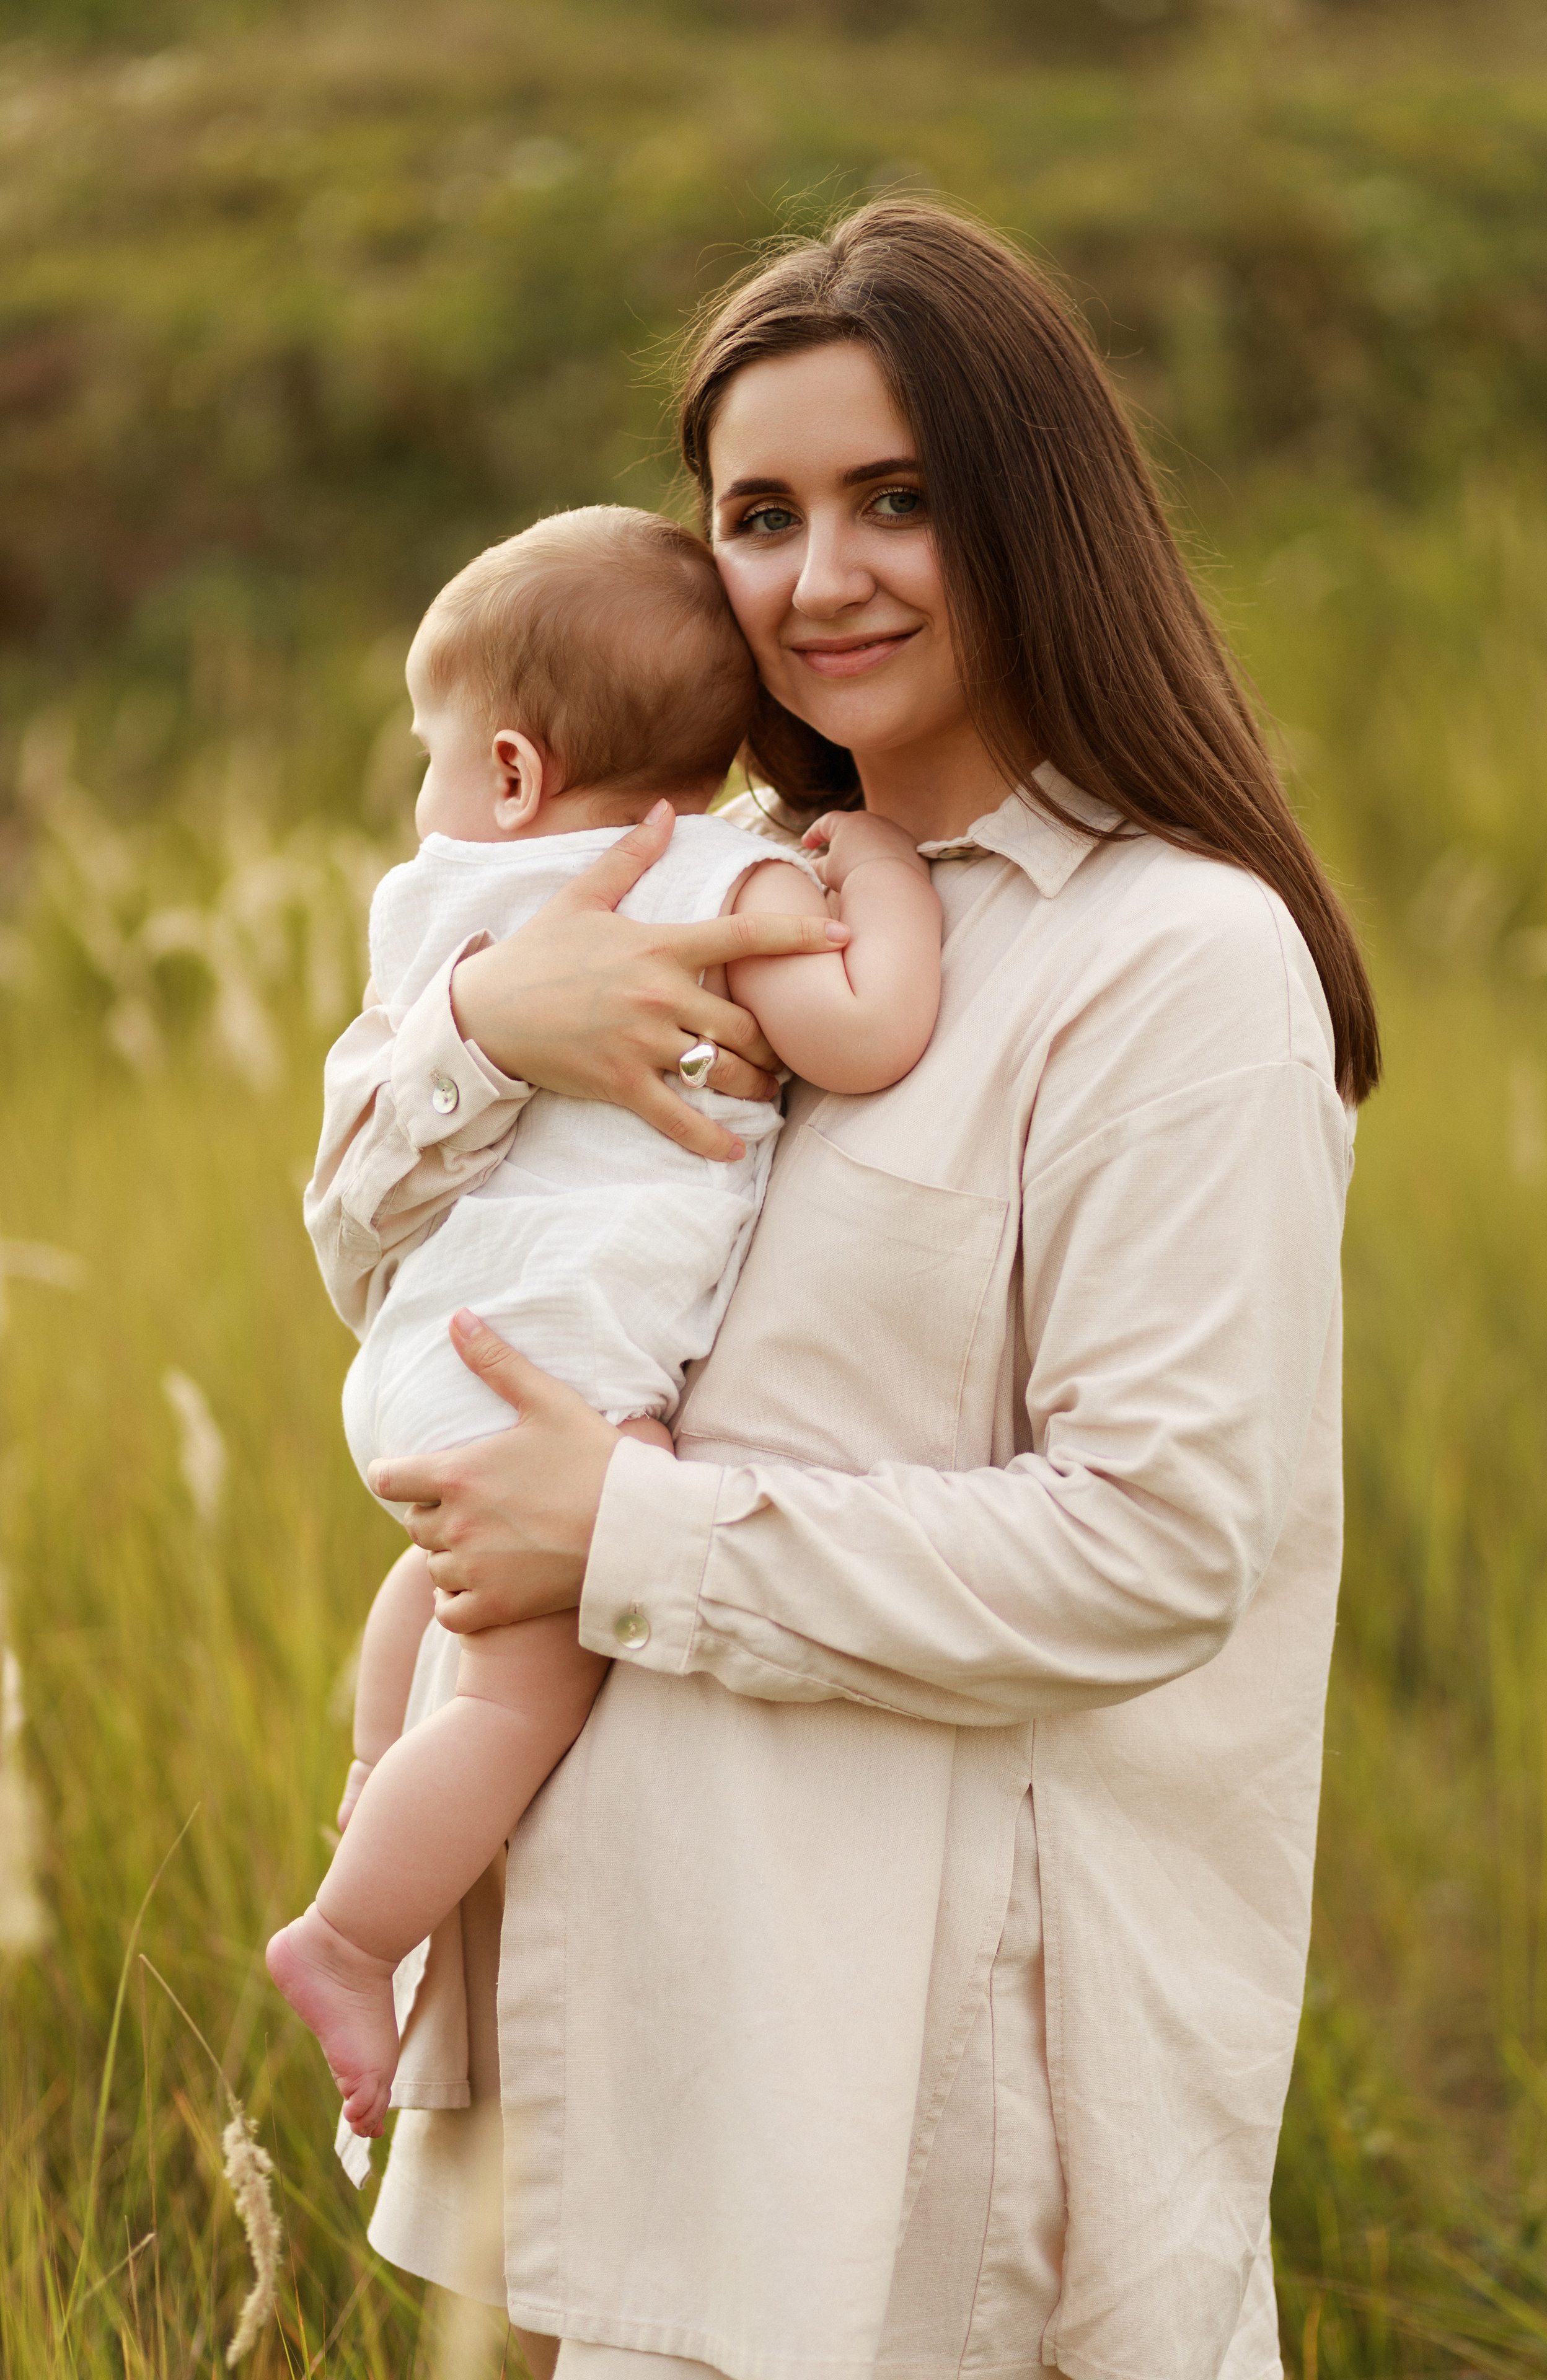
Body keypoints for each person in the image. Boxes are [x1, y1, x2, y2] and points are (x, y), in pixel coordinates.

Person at [305, 199, 1379, 2380]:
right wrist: (498, 1023)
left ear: (1038, 509)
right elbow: (371, 1268)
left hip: (931, 2120)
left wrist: (623, 1534)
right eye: (762, 515)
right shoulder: (703, 895)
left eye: (902, 498)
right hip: (671, 2053)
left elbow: (1163, 1546)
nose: (825, 575)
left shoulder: (1172, 966)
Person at [270, 503, 943, 2147]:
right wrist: (882, 872)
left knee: (434, 1594)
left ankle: (375, 1795)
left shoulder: (445, 911)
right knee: (516, 1688)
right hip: (551, 1375)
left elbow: (354, 1191)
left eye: (428, 758)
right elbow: (865, 1033)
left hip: (435, 1354)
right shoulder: (726, 876)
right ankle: (356, 1932)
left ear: (507, 773)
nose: (426, 799)